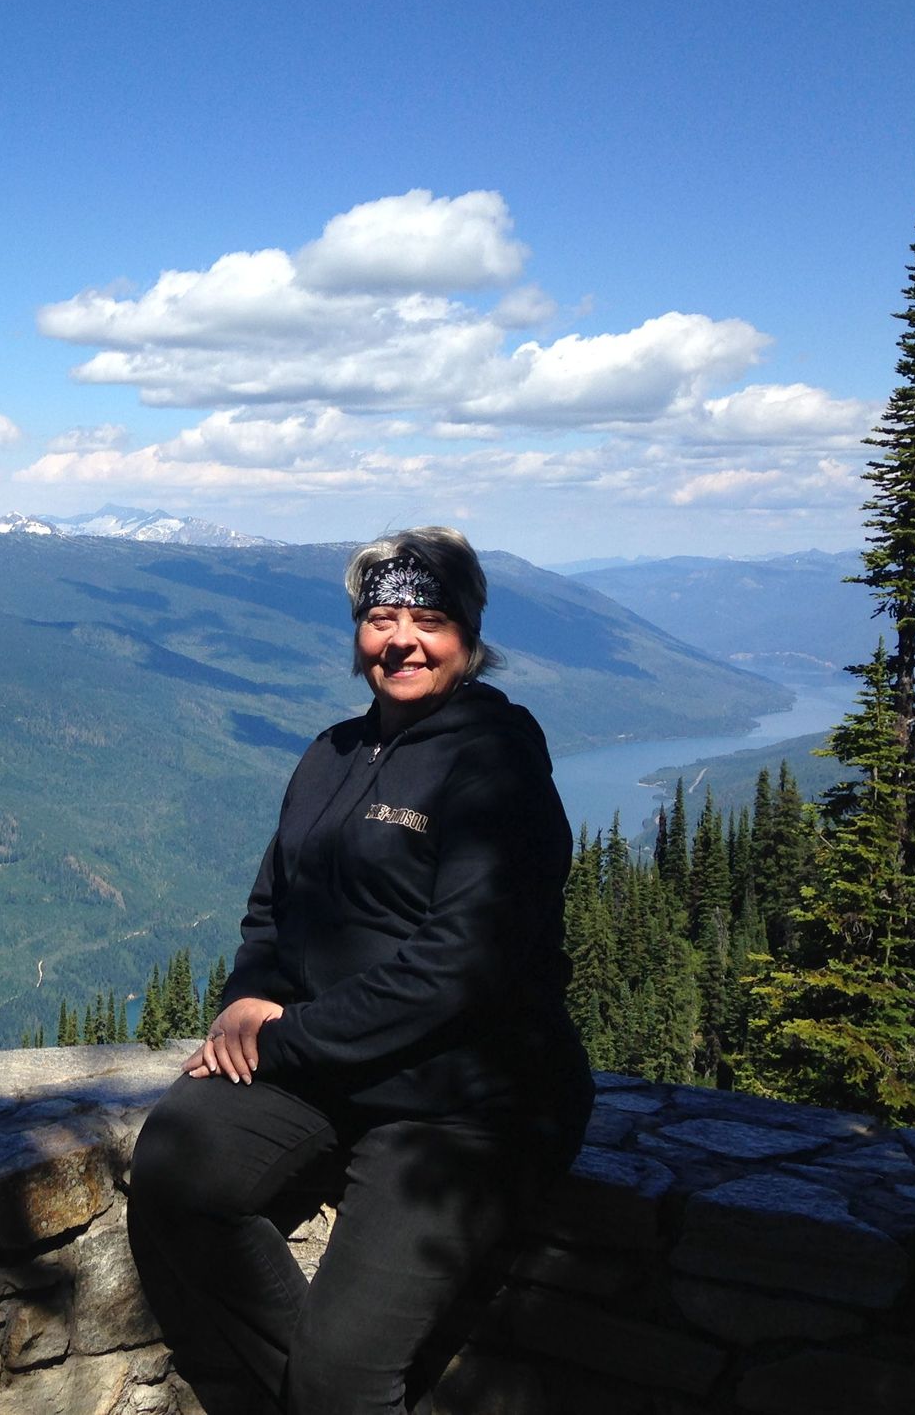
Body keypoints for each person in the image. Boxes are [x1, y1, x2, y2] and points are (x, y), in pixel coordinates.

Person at [127, 526, 592, 1415]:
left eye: (429, 620)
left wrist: (283, 1040)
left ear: (468, 636)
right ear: (357, 634)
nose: (402, 640)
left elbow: (460, 968)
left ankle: (327, 1396)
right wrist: (249, 994)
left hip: (462, 1101)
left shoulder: (496, 760)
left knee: (343, 1372)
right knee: (177, 1174)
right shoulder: (332, 754)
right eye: (382, 619)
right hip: (333, 1068)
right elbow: (273, 904)